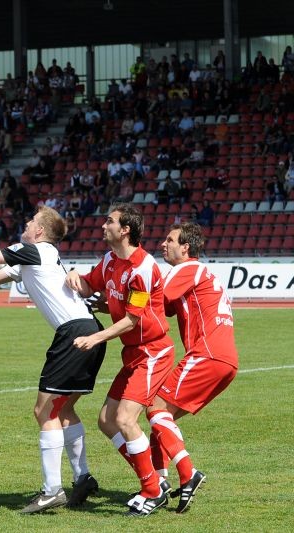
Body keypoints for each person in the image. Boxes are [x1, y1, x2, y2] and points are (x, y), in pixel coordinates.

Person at [0, 206, 106, 513]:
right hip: (91, 329)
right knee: (63, 409)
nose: (25, 224)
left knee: (44, 410)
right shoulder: (38, 256)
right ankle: (83, 478)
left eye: (29, 222)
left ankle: (51, 490)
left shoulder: (34, 249)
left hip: (73, 334)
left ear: (39, 231)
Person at [65, 202, 176, 516]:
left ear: (125, 229)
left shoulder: (143, 267)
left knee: (125, 420)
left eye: (109, 221)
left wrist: (95, 337)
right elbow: (92, 285)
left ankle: (152, 491)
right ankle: (152, 481)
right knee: (105, 420)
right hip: (134, 354)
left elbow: (133, 320)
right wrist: (74, 276)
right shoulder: (110, 260)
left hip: (154, 352)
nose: (103, 226)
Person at [149, 223, 238, 513]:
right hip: (225, 360)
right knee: (162, 423)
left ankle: (188, 473)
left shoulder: (186, 269)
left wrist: (114, 300)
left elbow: (153, 301)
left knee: (155, 408)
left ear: (186, 247)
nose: (164, 244)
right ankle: (159, 485)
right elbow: (168, 308)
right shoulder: (203, 273)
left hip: (207, 354)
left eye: (170, 240)